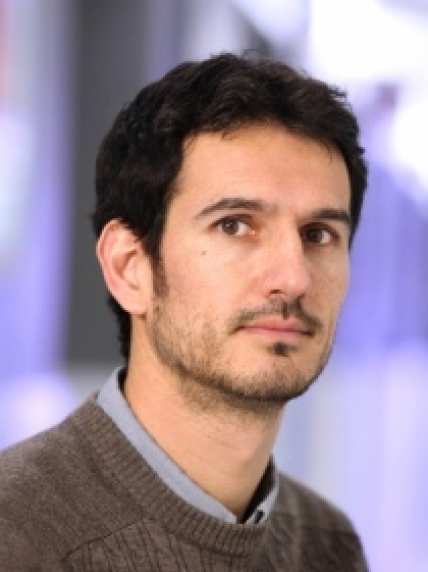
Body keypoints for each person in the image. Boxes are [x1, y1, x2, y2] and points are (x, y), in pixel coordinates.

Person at [0, 53, 369, 571]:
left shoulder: (329, 546)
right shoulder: (15, 538)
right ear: (129, 267)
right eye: (235, 225)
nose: (294, 278)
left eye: (319, 234)